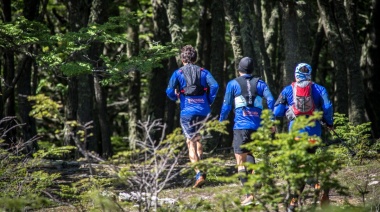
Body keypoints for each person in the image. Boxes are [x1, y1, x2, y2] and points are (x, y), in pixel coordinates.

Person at [273, 63, 334, 211]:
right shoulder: (319, 89)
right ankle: (294, 204)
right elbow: (328, 107)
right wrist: (329, 122)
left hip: (296, 136)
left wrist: (286, 112)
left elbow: (277, 111)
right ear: (310, 75)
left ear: (296, 75)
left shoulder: (288, 90)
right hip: (314, 135)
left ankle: (314, 187)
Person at [219, 57, 275, 206]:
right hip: (258, 127)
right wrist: (271, 120)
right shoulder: (260, 83)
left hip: (241, 127)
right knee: (249, 153)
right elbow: (270, 100)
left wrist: (221, 122)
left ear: (239, 69)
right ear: (252, 70)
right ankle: (255, 180)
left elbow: (226, 106)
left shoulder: (233, 84)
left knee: (240, 161)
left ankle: (249, 195)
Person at [166, 45, 219, 188]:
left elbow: (169, 91)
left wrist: (176, 96)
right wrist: (209, 99)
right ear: (195, 58)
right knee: (198, 139)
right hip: (203, 111)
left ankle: (199, 174)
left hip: (187, 112)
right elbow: (215, 86)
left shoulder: (178, 73)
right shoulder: (204, 72)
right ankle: (201, 167)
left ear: (182, 58)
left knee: (190, 142)